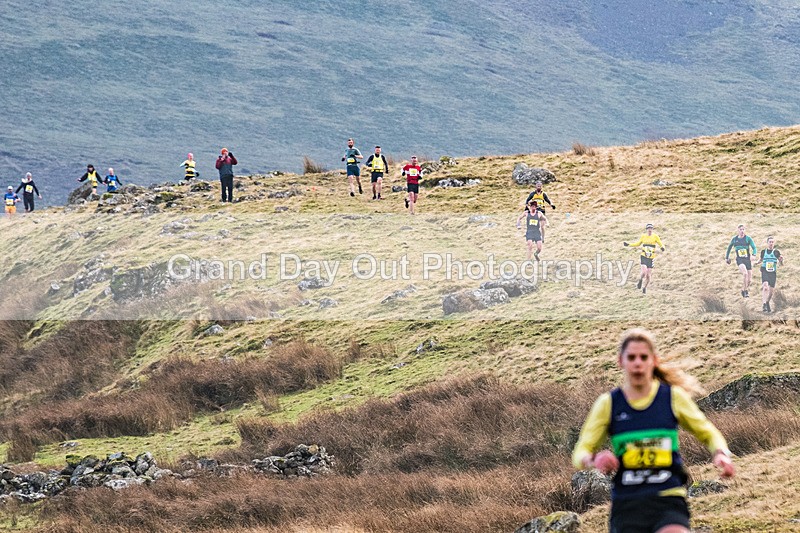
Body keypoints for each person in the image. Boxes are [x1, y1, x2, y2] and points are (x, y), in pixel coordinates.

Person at [572, 328, 735, 533]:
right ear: (620, 361)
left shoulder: (672, 397)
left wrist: (721, 453)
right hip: (627, 503)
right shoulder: (609, 404)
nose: (638, 363)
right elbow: (580, 451)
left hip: (668, 498)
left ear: (653, 361)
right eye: (631, 357)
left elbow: (708, 432)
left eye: (643, 357)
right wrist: (593, 460)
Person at [624, 223, 665, 294]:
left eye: (651, 228)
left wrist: (662, 247)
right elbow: (638, 243)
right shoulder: (643, 237)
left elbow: (660, 243)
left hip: (651, 258)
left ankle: (644, 288)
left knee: (648, 276)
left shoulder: (655, 237)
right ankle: (640, 280)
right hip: (644, 256)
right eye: (648, 228)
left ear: (652, 229)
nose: (650, 230)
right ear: (646, 229)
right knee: (644, 272)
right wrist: (629, 244)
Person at [724, 224, 756, 298]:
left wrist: (753, 255)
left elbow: (754, 248)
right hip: (740, 259)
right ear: (738, 230)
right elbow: (729, 248)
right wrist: (727, 257)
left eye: (743, 229)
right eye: (740, 229)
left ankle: (743, 289)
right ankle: (745, 291)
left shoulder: (748, 238)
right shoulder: (734, 239)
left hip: (747, 259)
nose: (742, 231)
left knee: (749, 280)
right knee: (745, 274)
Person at [757, 236, 784, 313]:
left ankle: (767, 302)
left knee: (771, 292)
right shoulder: (763, 252)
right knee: (765, 287)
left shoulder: (776, 252)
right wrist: (756, 262)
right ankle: (764, 304)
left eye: (772, 242)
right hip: (764, 270)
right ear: (767, 243)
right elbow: (760, 260)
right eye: (770, 242)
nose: (771, 243)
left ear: (774, 243)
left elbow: (781, 264)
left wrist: (781, 261)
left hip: (772, 273)